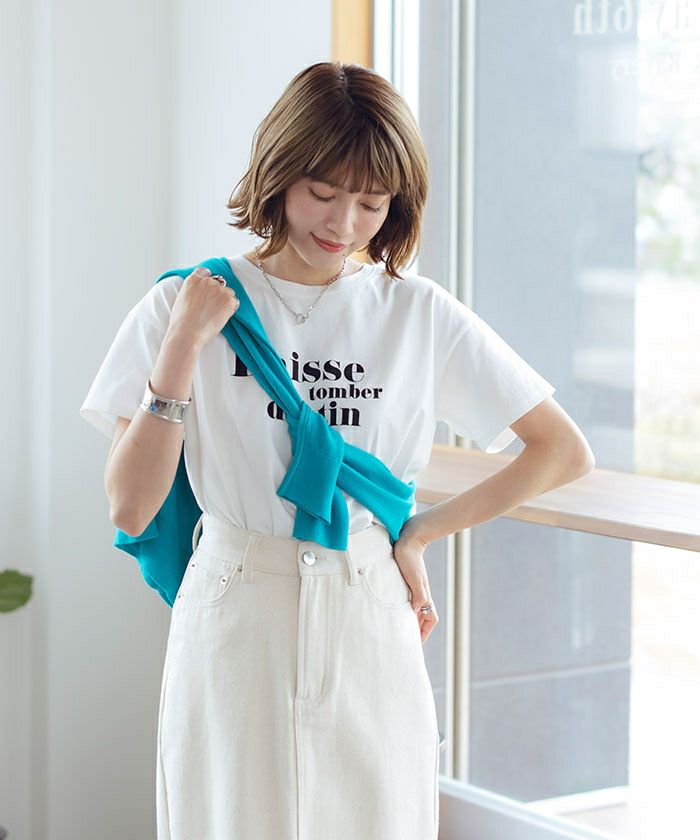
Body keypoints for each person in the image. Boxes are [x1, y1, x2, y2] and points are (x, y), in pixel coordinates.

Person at [79, 60, 593, 840]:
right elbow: (130, 505)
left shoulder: (415, 313)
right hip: (238, 603)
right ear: (280, 173)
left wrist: (420, 532)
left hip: (367, 601)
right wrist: (182, 346)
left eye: (371, 203)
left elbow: (560, 449)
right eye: (323, 191)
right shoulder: (185, 302)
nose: (344, 223)